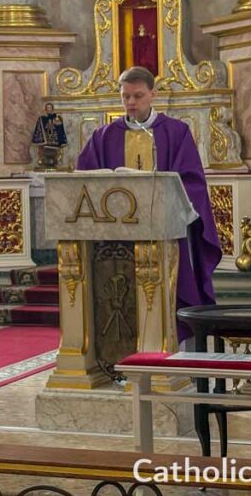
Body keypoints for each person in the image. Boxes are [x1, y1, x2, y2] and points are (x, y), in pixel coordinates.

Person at [75, 66, 220, 337]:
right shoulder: (103, 136)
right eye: (125, 96)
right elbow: (84, 180)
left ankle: (175, 344)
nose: (131, 102)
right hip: (116, 235)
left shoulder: (176, 132)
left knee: (173, 289)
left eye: (138, 96)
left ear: (153, 94)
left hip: (166, 231)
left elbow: (192, 181)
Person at [31, 103, 68, 170]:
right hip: (46, 142)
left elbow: (60, 128)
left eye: (50, 107)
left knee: (53, 153)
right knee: (46, 153)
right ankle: (47, 163)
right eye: (48, 108)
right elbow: (40, 127)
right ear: (45, 109)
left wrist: (57, 123)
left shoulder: (56, 117)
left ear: (52, 109)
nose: (49, 109)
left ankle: (52, 163)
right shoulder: (42, 118)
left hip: (54, 142)